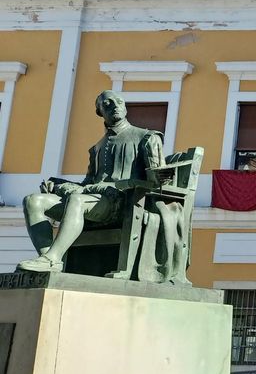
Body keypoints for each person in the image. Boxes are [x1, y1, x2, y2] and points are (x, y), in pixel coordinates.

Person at [19, 91, 164, 274]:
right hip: (95, 201)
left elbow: (158, 182)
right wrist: (58, 184)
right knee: (33, 201)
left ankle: (52, 259)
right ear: (99, 111)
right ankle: (49, 259)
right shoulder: (96, 148)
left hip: (124, 203)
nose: (115, 106)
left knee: (76, 201)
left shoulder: (147, 137)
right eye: (108, 103)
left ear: (126, 107)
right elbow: (88, 182)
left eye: (119, 102)